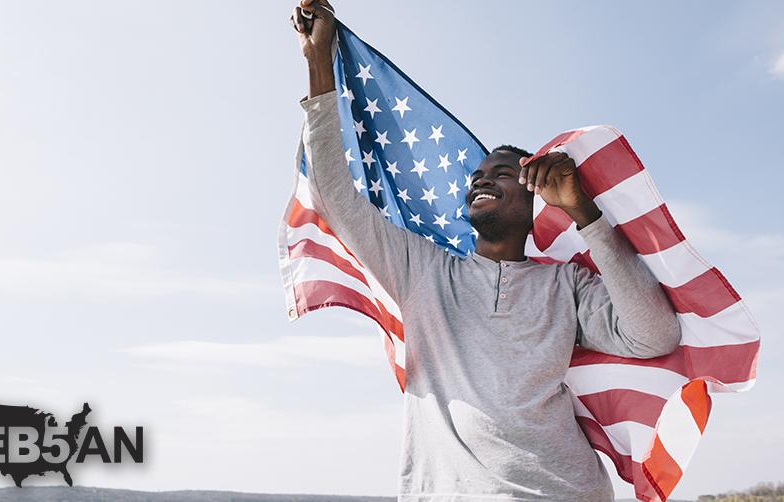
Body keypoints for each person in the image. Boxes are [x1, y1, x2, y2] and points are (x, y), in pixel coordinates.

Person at [289, 1, 682, 500]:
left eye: (502, 173)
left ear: (535, 195)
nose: (482, 180)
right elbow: (334, 196)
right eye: (477, 177)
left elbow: (654, 336)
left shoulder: (565, 284)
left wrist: (583, 212)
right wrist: (318, 61)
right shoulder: (423, 271)